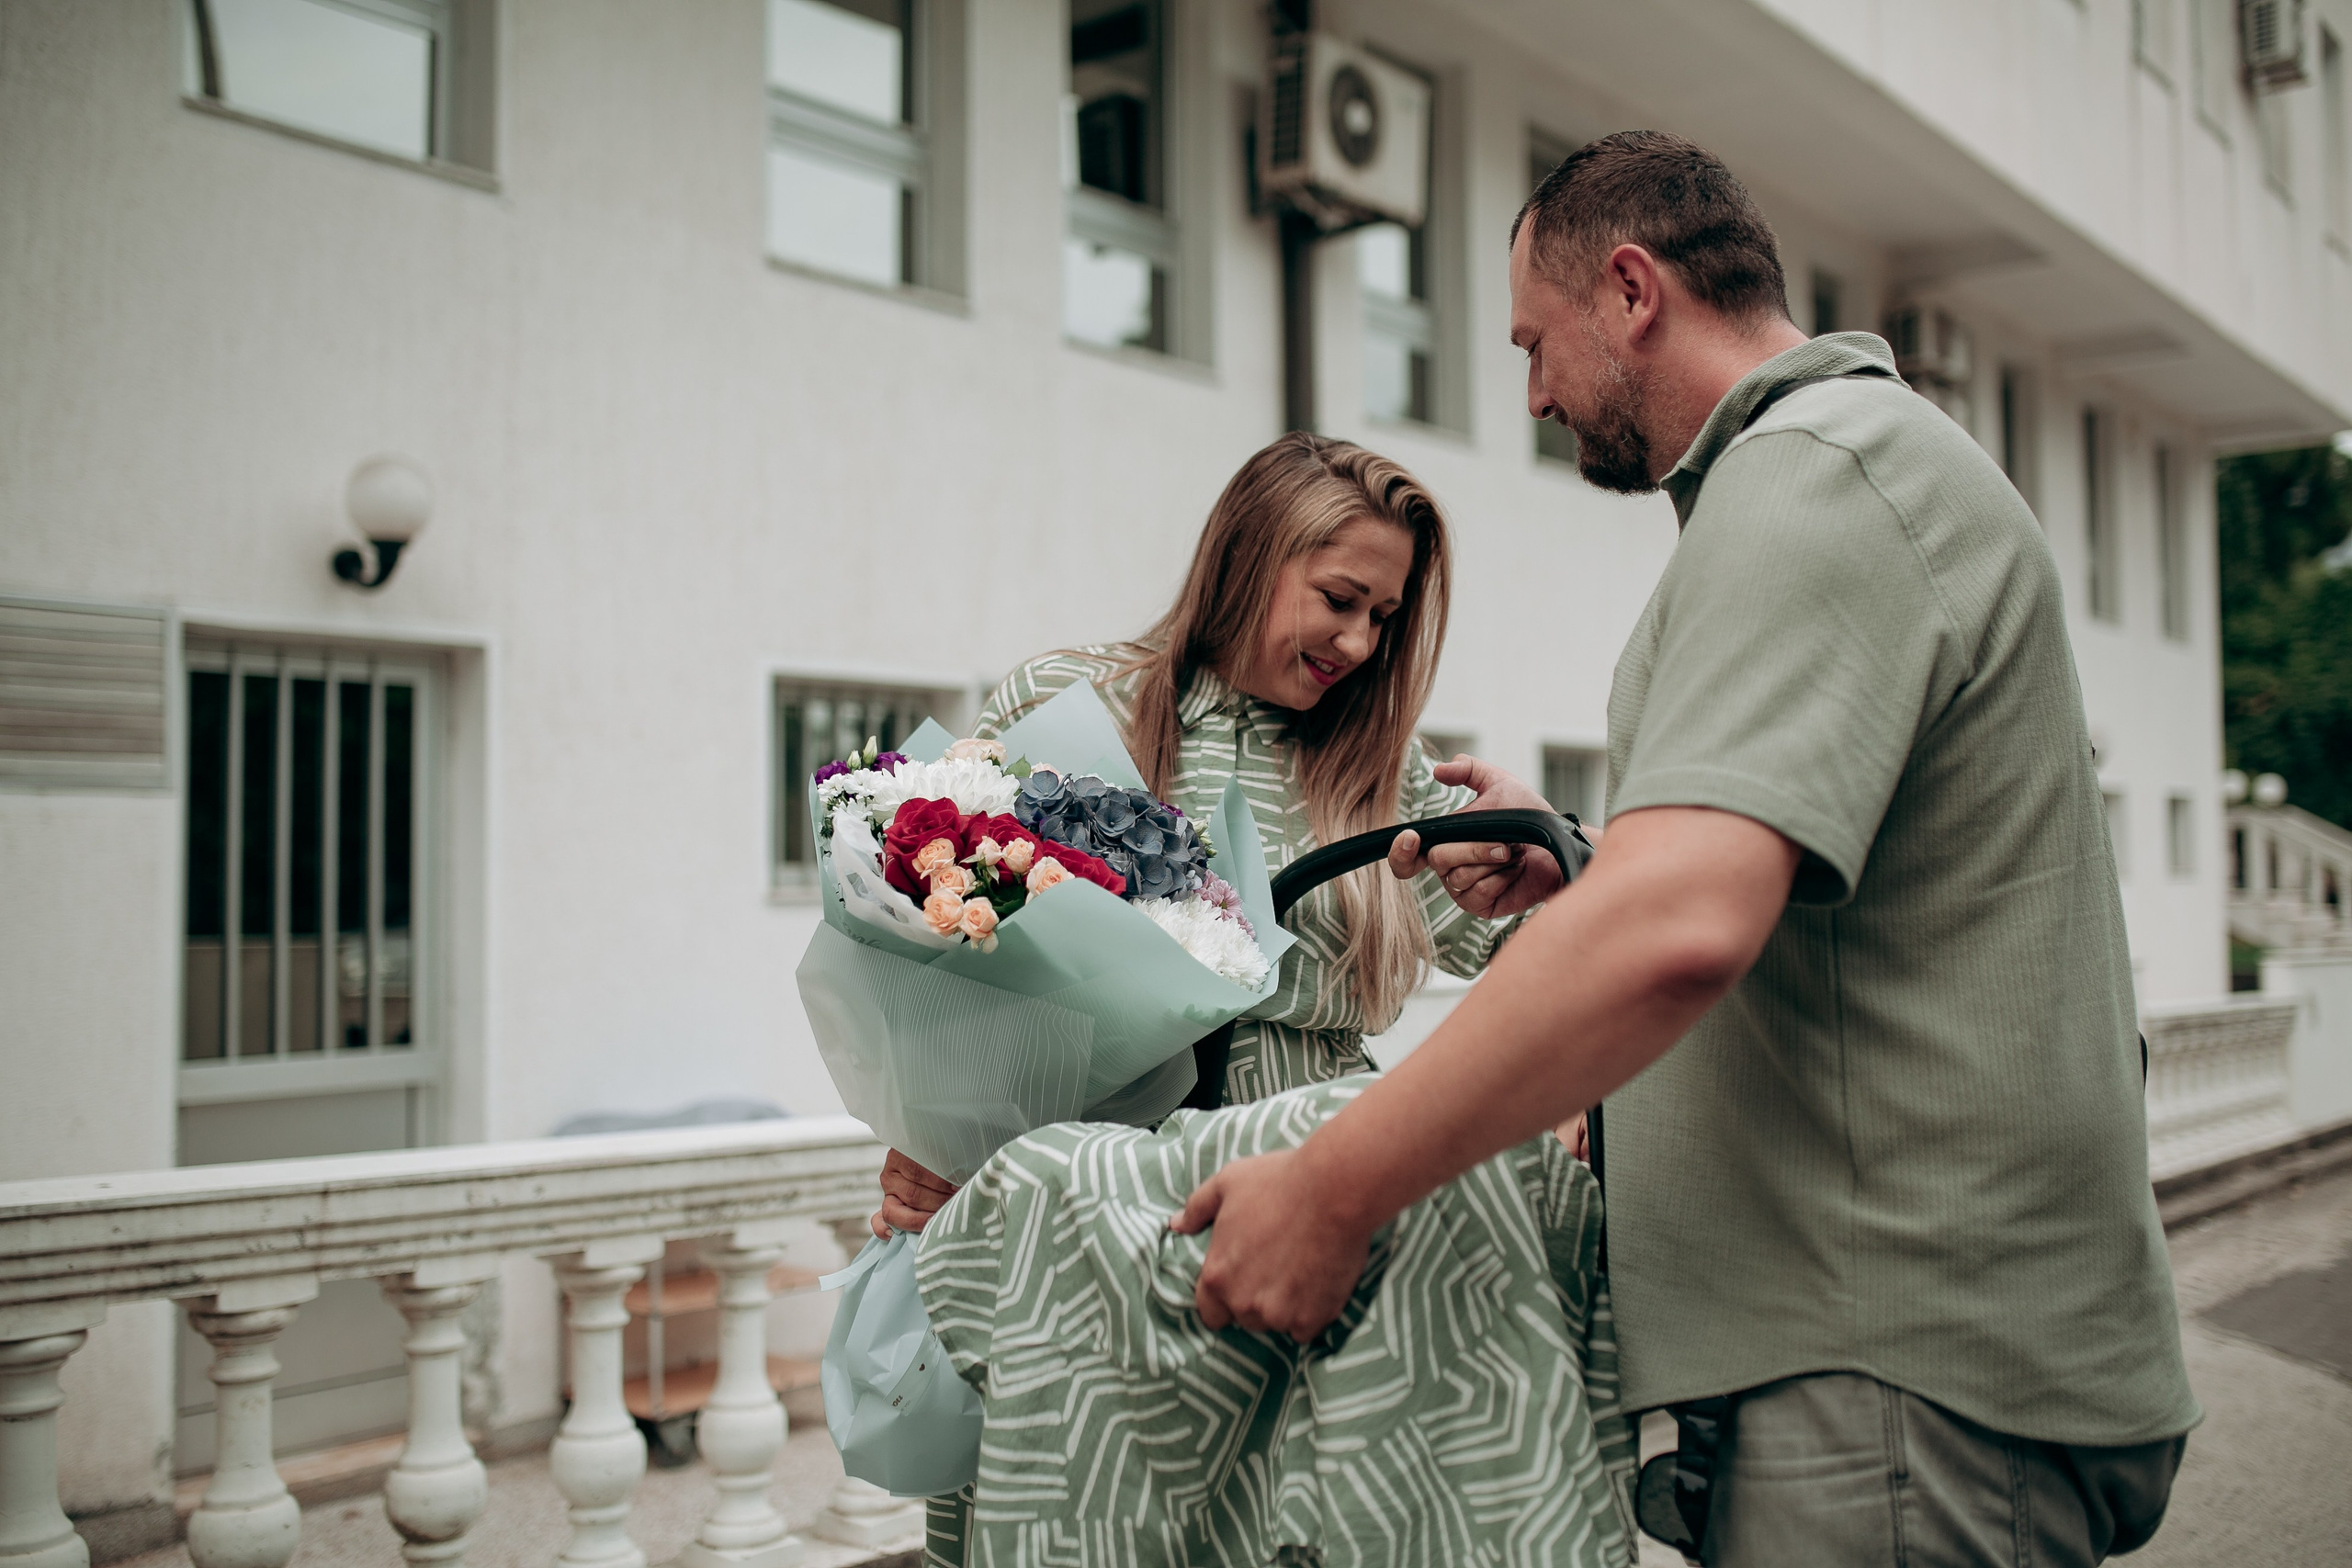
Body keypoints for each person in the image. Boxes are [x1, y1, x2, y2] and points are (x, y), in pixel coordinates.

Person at [1173, 131, 2199, 1565]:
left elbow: (1682, 926)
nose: (1534, 393)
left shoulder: (1821, 474)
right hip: (1875, 1362)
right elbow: (1803, 901)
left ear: (1631, 291)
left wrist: (1333, 1186)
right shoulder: (1848, 472)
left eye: (1533, 343)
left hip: (1892, 1376)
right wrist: (1595, 867)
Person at [875, 432, 1626, 1562]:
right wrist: (924, 1130)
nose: (1358, 643)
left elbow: (1556, 938)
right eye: (1339, 599)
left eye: (1384, 617)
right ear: (1248, 557)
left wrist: (1563, 851)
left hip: (1315, 1191)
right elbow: (949, 940)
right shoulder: (1070, 703)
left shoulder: (1386, 766)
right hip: (1097, 1198)